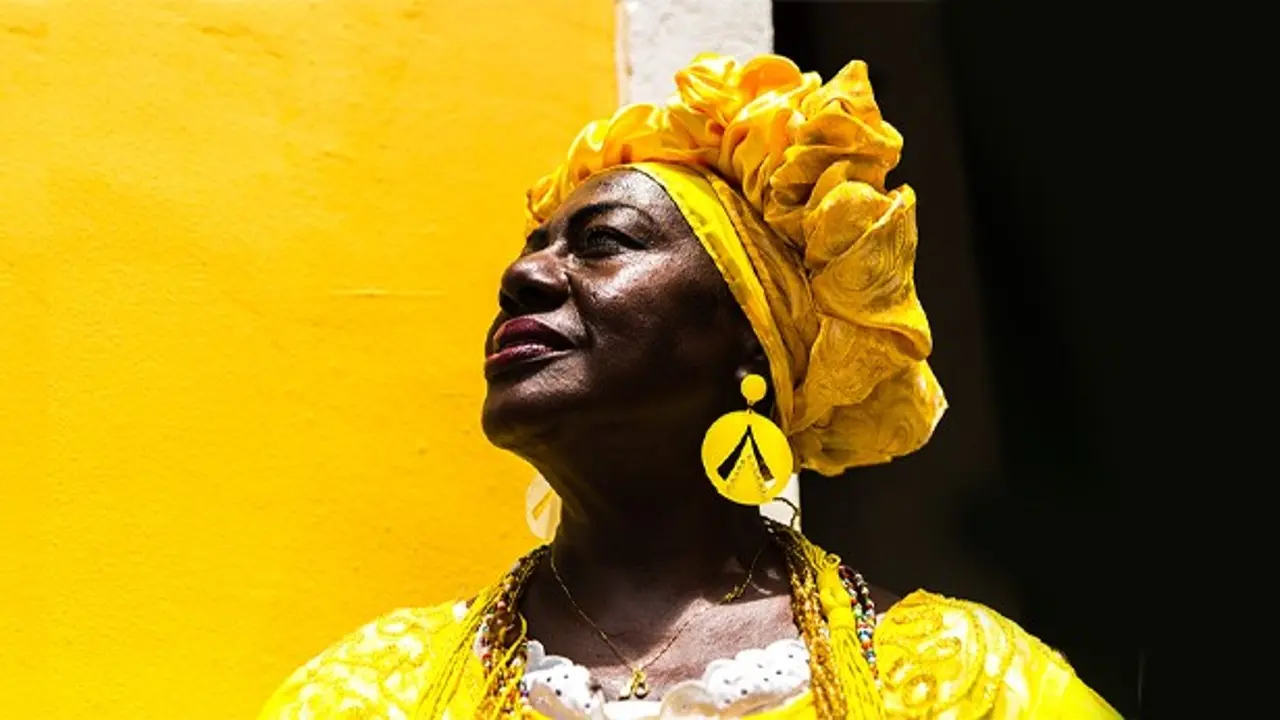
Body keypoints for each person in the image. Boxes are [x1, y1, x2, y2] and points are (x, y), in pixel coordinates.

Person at [257, 53, 1119, 719]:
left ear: (752, 338)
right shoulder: (371, 690)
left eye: (603, 243)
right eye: (530, 247)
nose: (522, 278)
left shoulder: (958, 680)